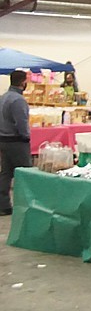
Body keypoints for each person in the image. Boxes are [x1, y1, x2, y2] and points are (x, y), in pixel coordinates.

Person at [0, 70, 32, 216]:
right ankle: (28, 204)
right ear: (23, 82)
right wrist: (26, 136)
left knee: (6, 173)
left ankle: (3, 204)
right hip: (16, 141)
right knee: (27, 174)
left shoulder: (3, 98)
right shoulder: (18, 100)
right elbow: (21, 122)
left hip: (3, 140)